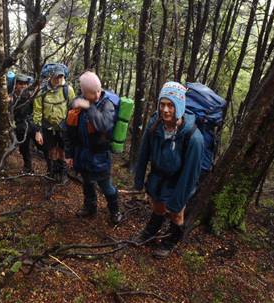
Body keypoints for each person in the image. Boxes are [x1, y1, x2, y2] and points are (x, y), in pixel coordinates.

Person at [133, 81, 204, 258]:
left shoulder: (193, 138)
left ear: (179, 106)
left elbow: (190, 175)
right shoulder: (155, 123)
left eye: (171, 105)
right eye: (162, 104)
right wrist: (139, 178)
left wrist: (178, 201)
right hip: (158, 177)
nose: (165, 110)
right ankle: (150, 232)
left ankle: (171, 241)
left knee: (176, 214)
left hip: (178, 182)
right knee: (157, 207)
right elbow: (144, 151)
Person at [64, 71, 123, 224]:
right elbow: (69, 131)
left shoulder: (107, 104)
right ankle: (90, 207)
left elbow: (104, 125)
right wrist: (69, 154)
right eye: (92, 93)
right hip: (81, 154)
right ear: (83, 92)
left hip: (100, 156)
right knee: (87, 182)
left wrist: (88, 106)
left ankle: (115, 211)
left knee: (106, 186)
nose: (97, 95)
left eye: (98, 90)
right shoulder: (76, 103)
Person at [33, 64, 75, 183]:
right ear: (51, 76)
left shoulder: (68, 90)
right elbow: (37, 111)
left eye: (61, 77)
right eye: (57, 77)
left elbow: (73, 110)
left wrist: (72, 129)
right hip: (47, 127)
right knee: (50, 150)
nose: (59, 79)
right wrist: (38, 131)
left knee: (62, 150)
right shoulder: (42, 91)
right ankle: (52, 172)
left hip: (64, 127)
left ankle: (63, 173)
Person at [10, 73, 36, 173]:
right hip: (20, 126)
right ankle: (28, 168)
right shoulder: (11, 97)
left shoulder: (30, 95)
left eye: (25, 83)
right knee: (24, 148)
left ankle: (52, 168)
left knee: (42, 145)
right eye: (20, 83)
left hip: (31, 124)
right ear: (16, 84)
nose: (23, 86)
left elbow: (35, 110)